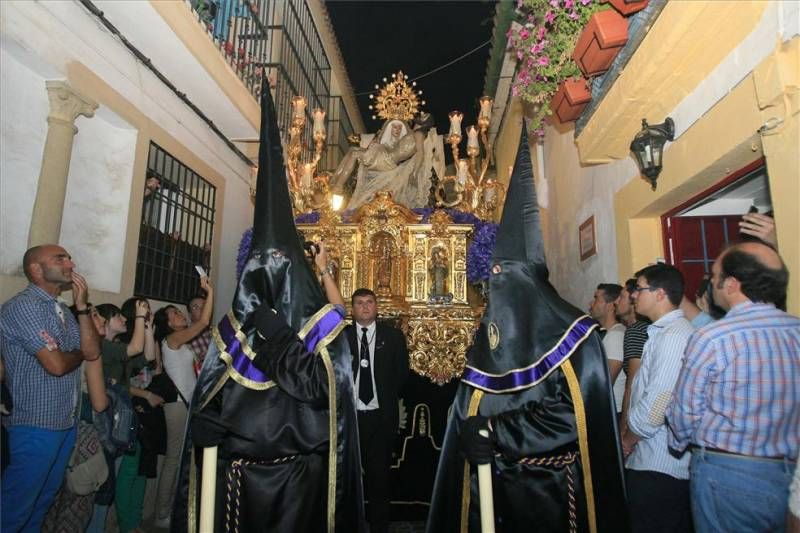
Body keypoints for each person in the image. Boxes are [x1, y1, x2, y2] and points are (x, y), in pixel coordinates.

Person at [171, 83, 365, 532]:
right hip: (238, 483)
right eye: (261, 262)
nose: (268, 271)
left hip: (300, 481)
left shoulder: (322, 328)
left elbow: (325, 392)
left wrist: (279, 337)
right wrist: (205, 427)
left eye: (278, 262)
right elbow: (213, 393)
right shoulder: (232, 328)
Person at [426, 128, 627, 532]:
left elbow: (575, 417)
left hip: (550, 491)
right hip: (493, 488)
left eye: (500, 276)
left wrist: (497, 431)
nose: (492, 287)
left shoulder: (576, 336)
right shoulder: (492, 336)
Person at [667, 241, 799, 532]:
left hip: (727, 473)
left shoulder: (714, 337)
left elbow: (685, 412)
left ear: (732, 285)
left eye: (714, 277)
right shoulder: (796, 331)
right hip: (791, 472)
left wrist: (679, 444)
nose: (711, 283)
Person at [0, 244, 101, 532]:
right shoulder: (24, 307)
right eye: (60, 258)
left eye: (69, 256)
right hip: (34, 425)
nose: (70, 262)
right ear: (36, 269)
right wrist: (78, 352)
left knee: (41, 504)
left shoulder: (62, 311)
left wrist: (81, 307)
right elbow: (56, 365)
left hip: (63, 425)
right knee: (14, 509)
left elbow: (92, 351)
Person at [624, 264, 693, 533]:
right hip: (648, 457)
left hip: (661, 464)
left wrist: (628, 439)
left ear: (660, 293)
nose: (633, 295)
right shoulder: (661, 332)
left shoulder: (675, 335)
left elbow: (658, 403)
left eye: (639, 289)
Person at [347, 288, 409, 533]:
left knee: (379, 480)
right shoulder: (342, 337)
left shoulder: (392, 337)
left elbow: (402, 374)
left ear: (376, 307)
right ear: (352, 309)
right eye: (359, 303)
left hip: (380, 419)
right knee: (348, 480)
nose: (364, 307)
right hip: (350, 419)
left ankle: (379, 528)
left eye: (369, 302)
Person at [153, 278, 213, 528]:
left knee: (179, 458)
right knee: (173, 459)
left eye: (178, 311)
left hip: (185, 404)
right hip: (177, 406)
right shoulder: (173, 340)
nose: (179, 315)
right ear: (168, 324)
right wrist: (209, 292)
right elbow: (203, 322)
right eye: (174, 314)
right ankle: (161, 514)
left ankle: (172, 507)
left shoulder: (177, 342)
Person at [616, 279, 648, 438]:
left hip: (639, 419)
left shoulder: (635, 331)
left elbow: (633, 384)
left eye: (621, 297)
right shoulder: (643, 328)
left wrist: (623, 428)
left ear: (632, 302)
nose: (616, 301)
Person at [588, 283, 626, 415]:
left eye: (596, 298)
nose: (591, 303)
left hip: (614, 410)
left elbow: (606, 380)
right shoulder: (606, 333)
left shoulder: (616, 335)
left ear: (610, 306)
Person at [186, 295, 212, 375]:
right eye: (196, 307)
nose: (201, 310)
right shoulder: (185, 336)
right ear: (190, 315)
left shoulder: (215, 332)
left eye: (204, 306)